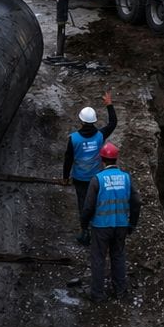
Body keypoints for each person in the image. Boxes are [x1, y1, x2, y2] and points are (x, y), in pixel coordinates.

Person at [80, 141, 140, 302]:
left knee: (98, 259)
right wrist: (132, 223)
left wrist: (84, 225)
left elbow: (88, 207)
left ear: (102, 159)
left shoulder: (97, 180)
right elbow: (137, 202)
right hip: (121, 225)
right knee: (118, 256)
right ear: (116, 159)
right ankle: (120, 291)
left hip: (101, 226)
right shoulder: (126, 178)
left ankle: (97, 295)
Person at [62, 92, 117, 245]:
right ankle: (98, 230)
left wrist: (65, 177)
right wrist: (109, 104)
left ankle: (85, 232)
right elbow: (113, 123)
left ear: (81, 120)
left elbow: (68, 159)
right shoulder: (100, 135)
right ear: (94, 121)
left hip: (80, 178)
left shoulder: (73, 139)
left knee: (83, 204)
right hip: (96, 178)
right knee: (96, 202)